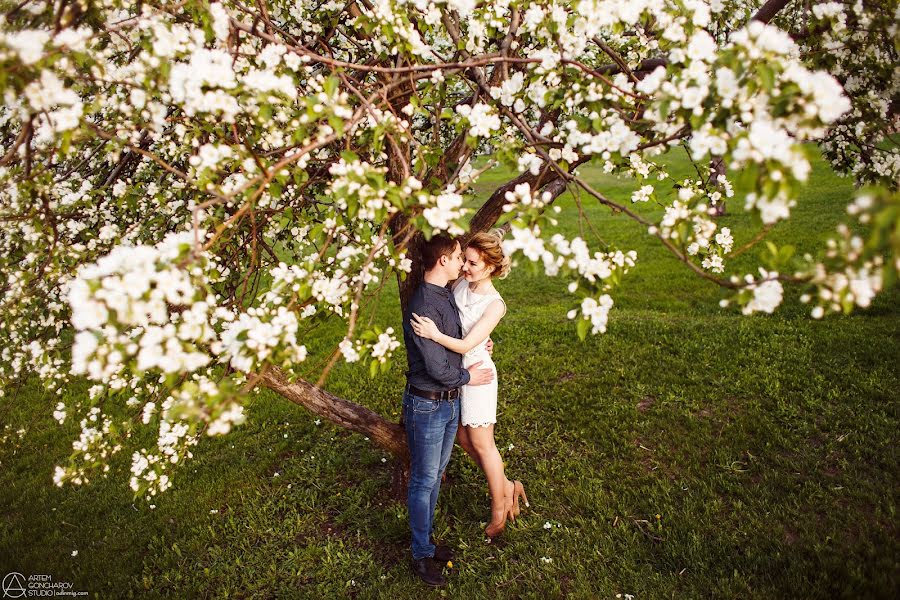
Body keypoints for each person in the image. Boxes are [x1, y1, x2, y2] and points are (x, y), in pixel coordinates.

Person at [411, 230, 528, 546]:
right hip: (455, 372)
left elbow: (464, 342)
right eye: (464, 260)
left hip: (476, 376)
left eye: (473, 263)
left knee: (482, 441)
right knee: (464, 437)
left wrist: (434, 335)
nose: (465, 267)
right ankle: (506, 484)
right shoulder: (460, 284)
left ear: (490, 267)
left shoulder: (495, 304)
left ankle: (499, 506)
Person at [401, 233, 495, 587]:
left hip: (448, 403)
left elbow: (459, 336)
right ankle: (421, 553)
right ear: (443, 261)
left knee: (436, 473)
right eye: (458, 257)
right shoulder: (424, 304)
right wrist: (470, 375)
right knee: (424, 479)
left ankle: (426, 542)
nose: (461, 263)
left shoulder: (445, 292)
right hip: (426, 404)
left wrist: (480, 343)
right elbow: (439, 369)